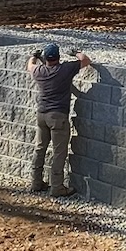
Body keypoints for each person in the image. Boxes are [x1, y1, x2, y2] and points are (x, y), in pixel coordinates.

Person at [27, 42, 91, 197]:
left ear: (45, 58)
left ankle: (36, 182)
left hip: (41, 115)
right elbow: (86, 60)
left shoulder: (39, 71)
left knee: (40, 148)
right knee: (58, 152)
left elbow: (30, 65)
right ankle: (56, 187)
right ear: (58, 57)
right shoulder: (65, 70)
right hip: (58, 117)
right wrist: (76, 52)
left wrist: (34, 56)